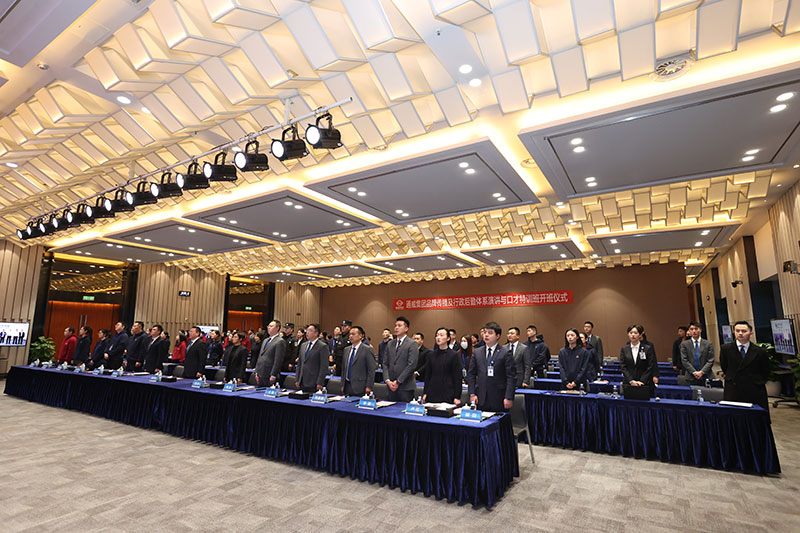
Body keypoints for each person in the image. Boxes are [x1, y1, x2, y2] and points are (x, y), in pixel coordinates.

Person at [720, 320, 770, 415]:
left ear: (751, 333)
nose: (740, 333)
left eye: (744, 331)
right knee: (735, 416)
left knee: (755, 417)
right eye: (737, 331)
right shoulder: (725, 349)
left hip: (754, 389)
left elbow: (765, 370)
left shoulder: (760, 351)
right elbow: (725, 367)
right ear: (734, 332)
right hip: (733, 389)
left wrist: (757, 381)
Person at [467, 322, 515, 412]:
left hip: (499, 398)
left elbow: (511, 377)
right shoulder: (477, 352)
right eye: (485, 332)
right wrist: (472, 393)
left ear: (497, 336)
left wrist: (508, 397)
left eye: (490, 333)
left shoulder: (505, 353)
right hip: (481, 397)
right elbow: (471, 374)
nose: (486, 335)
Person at [422, 327, 463, 405]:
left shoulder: (454, 355)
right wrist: (425, 393)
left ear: (448, 338)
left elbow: (457, 377)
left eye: (441, 335)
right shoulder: (431, 355)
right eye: (437, 335)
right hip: (432, 391)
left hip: (448, 392)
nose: (438, 337)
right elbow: (428, 375)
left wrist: (457, 396)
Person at [383, 316, 419, 402]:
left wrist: (398, 381)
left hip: (406, 387)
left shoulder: (412, 344)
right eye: (395, 325)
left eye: (399, 326)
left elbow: (411, 365)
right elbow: (385, 363)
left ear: (406, 328)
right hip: (390, 386)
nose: (396, 328)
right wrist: (387, 380)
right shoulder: (390, 344)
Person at [619, 324, 657, 393]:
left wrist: (642, 381)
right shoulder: (624, 349)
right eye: (631, 333)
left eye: (635, 333)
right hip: (629, 383)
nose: (633, 335)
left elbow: (650, 366)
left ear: (640, 335)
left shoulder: (647, 348)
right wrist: (631, 381)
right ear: (628, 334)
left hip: (645, 383)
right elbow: (623, 366)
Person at [342, 325, 375, 396]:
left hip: (360, 386)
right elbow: (344, 369)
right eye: (350, 334)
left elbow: (371, 370)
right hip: (347, 385)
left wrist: (369, 386)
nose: (350, 336)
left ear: (360, 336)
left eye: (353, 334)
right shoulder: (346, 350)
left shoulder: (367, 349)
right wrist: (342, 384)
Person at [295, 323, 329, 393]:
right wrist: (297, 379)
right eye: (307, 330)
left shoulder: (322, 346)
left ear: (316, 333)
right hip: (302, 380)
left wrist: (320, 382)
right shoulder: (303, 345)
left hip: (314, 382)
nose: (307, 332)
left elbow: (324, 366)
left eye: (310, 331)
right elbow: (300, 364)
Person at [255, 319, 286, 386]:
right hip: (260, 373)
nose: (269, 328)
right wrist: (257, 372)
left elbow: (278, 360)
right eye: (268, 326)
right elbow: (260, 356)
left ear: (277, 328)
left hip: (269, 374)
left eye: (271, 326)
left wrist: (273, 375)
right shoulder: (265, 340)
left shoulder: (280, 341)